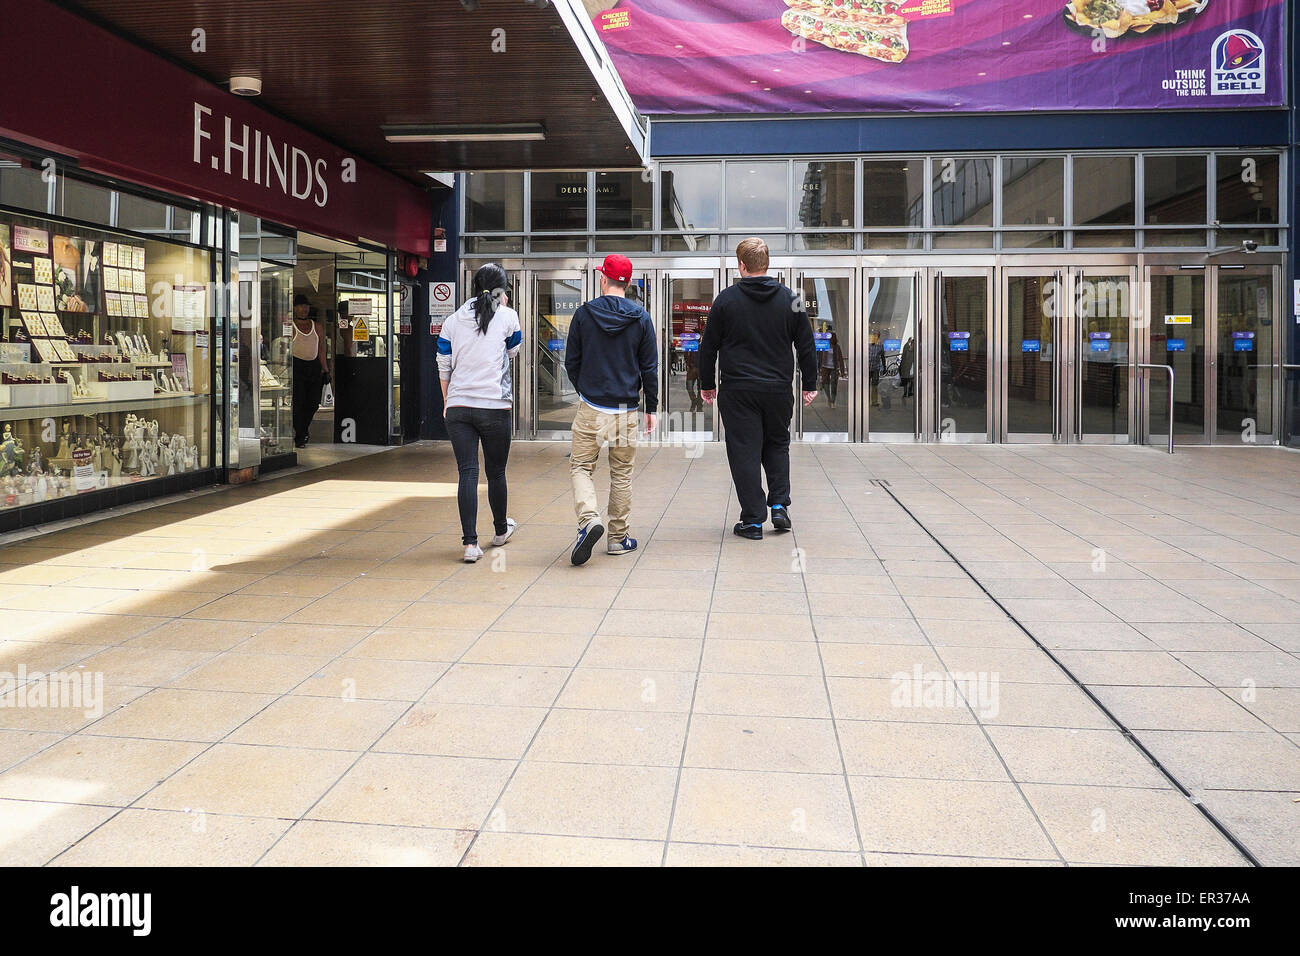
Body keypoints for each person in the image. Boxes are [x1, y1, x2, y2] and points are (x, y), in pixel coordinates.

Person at [699, 237, 817, 540]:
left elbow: (708, 347)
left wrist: (707, 385)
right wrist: (811, 383)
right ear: (767, 264)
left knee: (744, 452)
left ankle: (752, 521)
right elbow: (806, 345)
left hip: (738, 390)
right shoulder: (790, 299)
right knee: (777, 444)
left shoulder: (726, 300)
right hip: (778, 389)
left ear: (741, 265)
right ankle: (779, 505)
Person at [565, 254, 658, 565]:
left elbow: (571, 363)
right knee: (621, 474)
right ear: (628, 283)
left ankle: (589, 520)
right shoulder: (641, 317)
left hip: (591, 407)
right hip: (626, 409)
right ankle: (618, 539)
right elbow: (650, 368)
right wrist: (652, 407)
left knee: (581, 467)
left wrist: (586, 391)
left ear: (603, 279)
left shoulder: (583, 315)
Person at [438, 263, 522, 563]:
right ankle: (500, 531)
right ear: (503, 290)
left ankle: (470, 545)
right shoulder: (508, 317)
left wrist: (449, 402)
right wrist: (504, 308)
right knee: (496, 472)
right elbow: (513, 351)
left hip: (459, 408)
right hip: (495, 406)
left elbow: (444, 365)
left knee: (468, 473)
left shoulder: (452, 320)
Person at [291, 294, 329, 448]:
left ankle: (303, 429)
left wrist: (326, 370)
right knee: (299, 402)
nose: (304, 309)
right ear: (295, 309)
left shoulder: (317, 326)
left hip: (313, 367)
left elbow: (321, 350)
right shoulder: (290, 326)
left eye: (306, 306)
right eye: (300, 306)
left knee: (313, 403)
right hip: (296, 366)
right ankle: (300, 434)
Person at [900, 336, 916, 401]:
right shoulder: (907, 349)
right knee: (906, 380)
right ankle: (906, 392)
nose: (913, 345)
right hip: (906, 368)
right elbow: (903, 358)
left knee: (911, 380)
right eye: (912, 344)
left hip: (912, 368)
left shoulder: (915, 351)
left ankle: (909, 391)